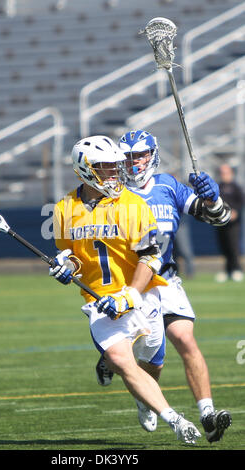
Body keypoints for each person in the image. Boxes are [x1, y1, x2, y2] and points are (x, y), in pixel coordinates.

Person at [50, 134, 201, 445]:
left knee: (152, 363)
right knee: (120, 360)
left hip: (142, 295)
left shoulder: (132, 204)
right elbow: (74, 257)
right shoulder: (65, 207)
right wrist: (67, 268)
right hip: (100, 301)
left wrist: (130, 294)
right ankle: (175, 419)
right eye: (105, 167)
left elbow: (151, 256)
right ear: (85, 169)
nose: (114, 173)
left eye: (115, 166)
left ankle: (144, 399)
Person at [95, 130, 232, 443]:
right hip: (132, 284)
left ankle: (208, 414)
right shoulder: (110, 193)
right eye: (128, 156)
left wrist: (214, 197)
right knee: (147, 358)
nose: (134, 161)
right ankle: (138, 391)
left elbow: (220, 219)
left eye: (140, 155)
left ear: (152, 154)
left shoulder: (168, 186)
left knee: (184, 338)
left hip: (166, 280)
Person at [215, 163, 244, 283]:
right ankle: (227, 270)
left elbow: (241, 202)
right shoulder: (218, 186)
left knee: (233, 246)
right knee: (224, 246)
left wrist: (235, 212)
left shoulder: (236, 187)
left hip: (233, 223)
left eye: (226, 173)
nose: (224, 175)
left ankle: (237, 269)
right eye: (222, 173)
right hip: (221, 222)